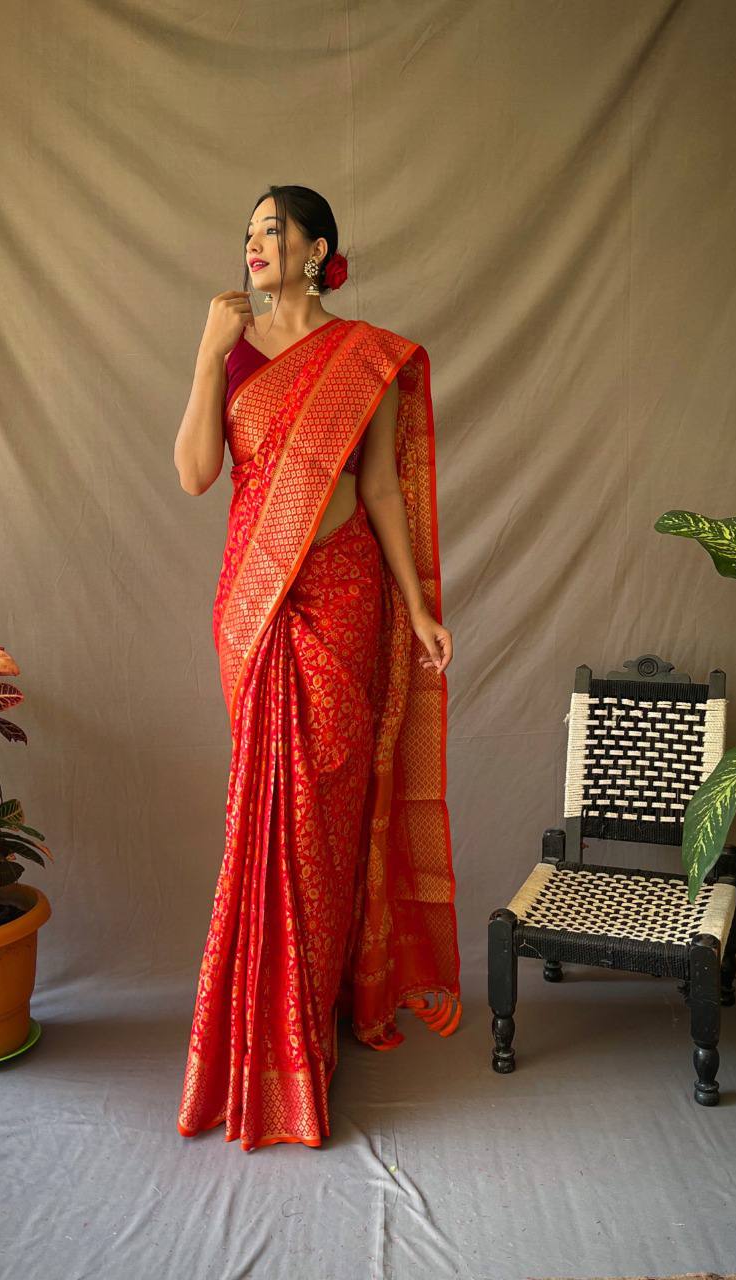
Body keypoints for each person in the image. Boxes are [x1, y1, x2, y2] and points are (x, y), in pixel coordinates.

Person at [173, 184, 460, 1151]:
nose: (254, 243)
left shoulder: (361, 356)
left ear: (315, 248)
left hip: (344, 604)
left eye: (271, 230)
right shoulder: (239, 354)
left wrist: (420, 606)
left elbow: (379, 484)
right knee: (264, 821)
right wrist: (209, 355)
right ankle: (265, 1046)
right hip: (258, 610)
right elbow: (195, 472)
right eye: (247, 229)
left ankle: (313, 1027)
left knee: (325, 820)